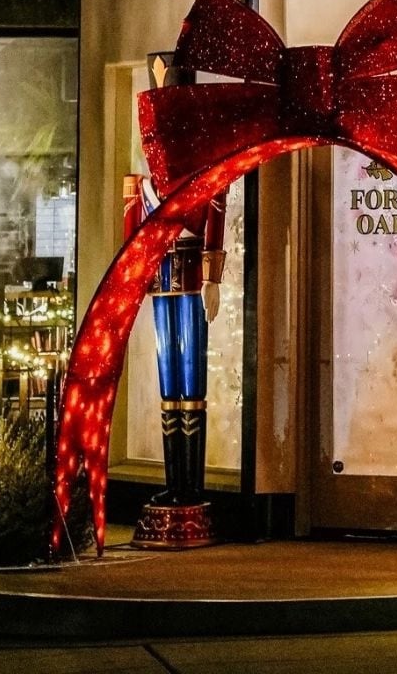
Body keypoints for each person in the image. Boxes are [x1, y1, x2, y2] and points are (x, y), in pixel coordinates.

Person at [124, 51, 227, 548]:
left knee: (192, 382)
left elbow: (215, 223)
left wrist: (213, 278)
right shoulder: (142, 185)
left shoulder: (205, 175)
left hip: (188, 278)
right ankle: (175, 483)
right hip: (160, 279)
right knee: (170, 382)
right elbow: (133, 238)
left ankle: (192, 487)